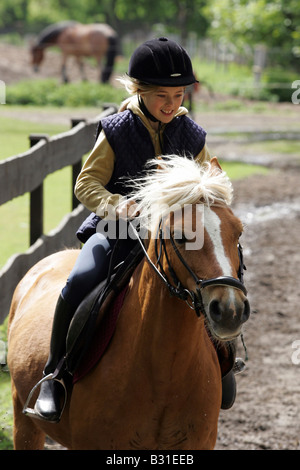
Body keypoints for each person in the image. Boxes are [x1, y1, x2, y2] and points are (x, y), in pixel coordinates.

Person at [31, 37, 234, 423]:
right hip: (119, 230)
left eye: (178, 94)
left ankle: (223, 361)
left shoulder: (191, 134)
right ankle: (54, 376)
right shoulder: (116, 130)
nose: (171, 104)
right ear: (138, 90)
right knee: (78, 282)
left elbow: (211, 178)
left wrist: (215, 186)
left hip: (178, 234)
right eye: (162, 95)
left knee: (216, 278)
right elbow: (85, 184)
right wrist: (115, 205)